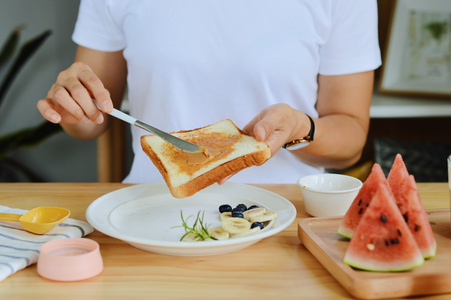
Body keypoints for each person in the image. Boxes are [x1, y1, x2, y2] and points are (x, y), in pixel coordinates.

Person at [37, 0, 381, 184]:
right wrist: (74, 108)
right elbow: (91, 121)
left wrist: (300, 127)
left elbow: (350, 139)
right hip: (149, 210)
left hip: (287, 217)